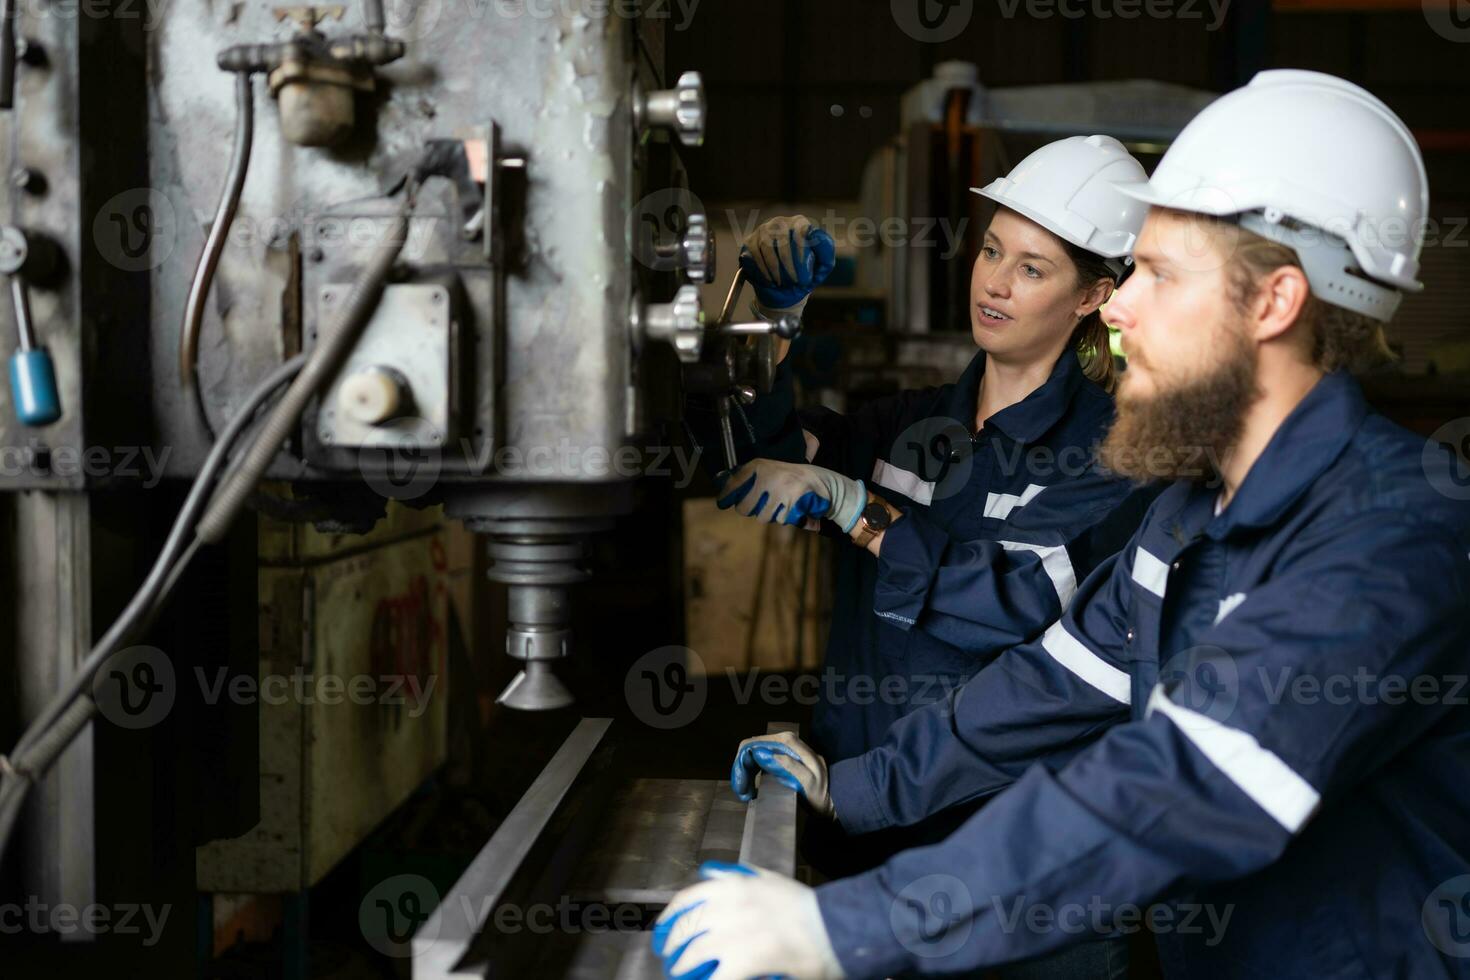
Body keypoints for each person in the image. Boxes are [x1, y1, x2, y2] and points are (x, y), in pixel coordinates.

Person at [656, 70, 1470, 978]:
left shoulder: (1392, 530)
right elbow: (1041, 693)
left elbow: (1179, 789)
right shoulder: (1184, 519)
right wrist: (844, 788)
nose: (1119, 308)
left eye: (1157, 274)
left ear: (1272, 303)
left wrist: (850, 929)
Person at [693, 135, 1158, 770]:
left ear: (1092, 296)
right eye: (991, 250)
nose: (994, 283)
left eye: (1031, 268)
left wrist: (858, 508)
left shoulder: (1113, 457)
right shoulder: (909, 422)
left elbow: (1013, 606)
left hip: (985, 826)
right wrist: (775, 320)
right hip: (847, 788)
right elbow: (757, 453)